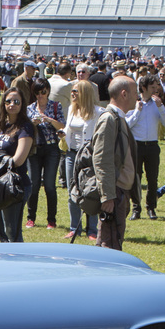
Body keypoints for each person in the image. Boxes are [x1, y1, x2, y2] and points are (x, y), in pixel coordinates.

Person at [93, 76, 140, 250]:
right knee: (109, 244)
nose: (137, 97)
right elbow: (101, 159)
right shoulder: (109, 119)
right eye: (135, 92)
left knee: (112, 240)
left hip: (120, 192)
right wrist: (107, 195)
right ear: (124, 94)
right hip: (115, 193)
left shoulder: (119, 118)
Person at [0, 88, 34, 242]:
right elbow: (1, 152)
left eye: (16, 101)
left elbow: (18, 160)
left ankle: (17, 261)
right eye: (8, 101)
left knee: (11, 231)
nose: (12, 104)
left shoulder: (25, 128)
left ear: (22, 105)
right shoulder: (3, 125)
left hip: (15, 184)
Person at [125, 74, 165, 220]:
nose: (155, 90)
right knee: (136, 178)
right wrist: (137, 111)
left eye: (156, 86)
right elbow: (128, 124)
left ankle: (151, 208)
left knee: (152, 178)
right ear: (144, 88)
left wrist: (161, 107)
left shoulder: (157, 104)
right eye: (152, 87)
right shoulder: (134, 103)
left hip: (152, 145)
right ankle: (136, 208)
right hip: (136, 145)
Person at [64, 79, 102, 242]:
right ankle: (74, 228)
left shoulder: (99, 112)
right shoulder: (72, 110)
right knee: (72, 191)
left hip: (89, 156)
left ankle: (92, 229)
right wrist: (62, 134)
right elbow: (68, 129)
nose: (72, 94)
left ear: (85, 93)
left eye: (76, 91)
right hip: (71, 154)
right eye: (72, 91)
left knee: (90, 191)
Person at [26, 79, 64, 230]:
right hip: (34, 150)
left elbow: (62, 125)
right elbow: (25, 128)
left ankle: (51, 220)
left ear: (48, 91)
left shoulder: (55, 106)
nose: (40, 95)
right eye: (37, 93)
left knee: (49, 186)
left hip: (51, 149)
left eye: (43, 92)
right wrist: (33, 123)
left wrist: (49, 120)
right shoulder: (29, 108)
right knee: (33, 185)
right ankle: (31, 218)